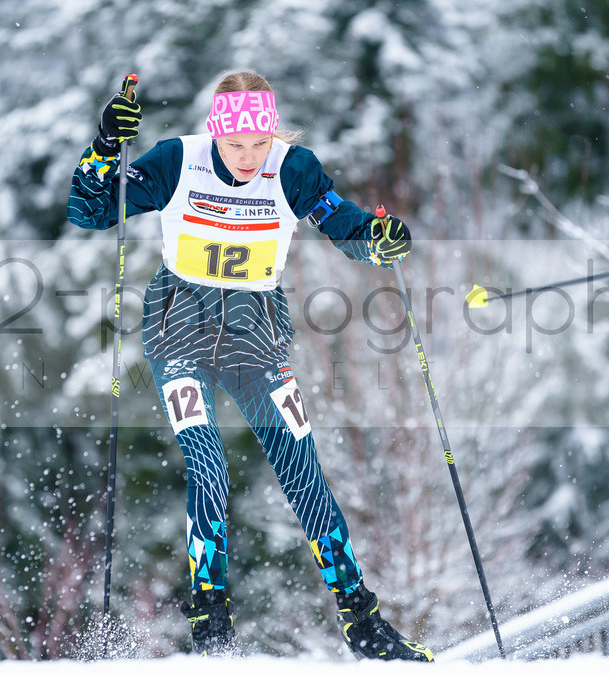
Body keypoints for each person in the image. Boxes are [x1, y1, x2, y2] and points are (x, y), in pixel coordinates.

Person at [68, 70, 432, 661]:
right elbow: (88, 211)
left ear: (272, 135)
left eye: (258, 144)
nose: (247, 158)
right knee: (207, 465)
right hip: (178, 328)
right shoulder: (174, 163)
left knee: (303, 471)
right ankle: (211, 628)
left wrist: (381, 238)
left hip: (256, 335)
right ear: (215, 134)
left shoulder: (292, 169)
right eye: (235, 146)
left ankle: (363, 623)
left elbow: (348, 229)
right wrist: (105, 145)